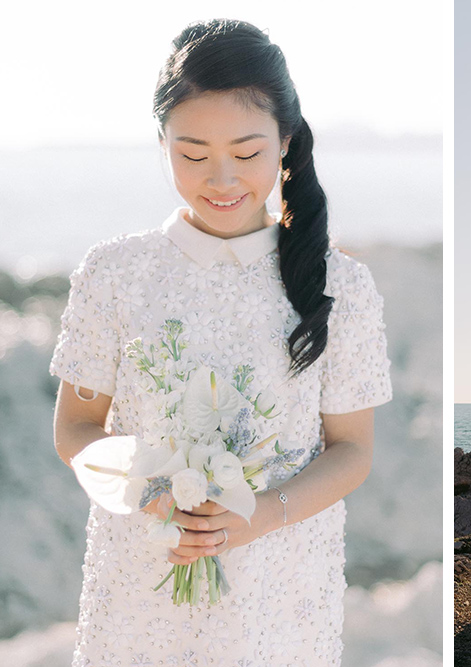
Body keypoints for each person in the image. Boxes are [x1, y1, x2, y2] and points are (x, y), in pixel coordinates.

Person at [50, 19, 391, 666]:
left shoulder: (340, 284)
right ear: (162, 143)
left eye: (247, 150)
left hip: (281, 584)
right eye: (193, 153)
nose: (222, 176)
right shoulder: (114, 273)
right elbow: (74, 430)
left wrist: (263, 512)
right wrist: (150, 488)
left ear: (285, 142)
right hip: (144, 574)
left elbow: (352, 450)